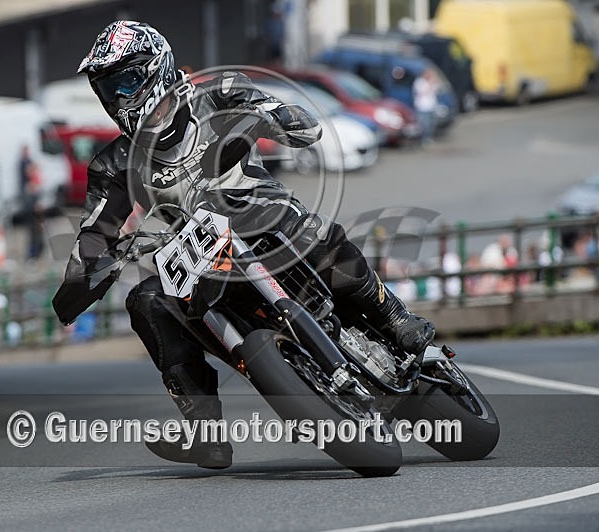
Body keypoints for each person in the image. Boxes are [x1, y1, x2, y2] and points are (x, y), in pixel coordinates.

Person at [52, 21, 436, 469]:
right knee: (145, 299)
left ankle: (395, 318)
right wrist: (88, 270)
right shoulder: (113, 162)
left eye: (126, 80)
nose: (118, 96)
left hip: (260, 213)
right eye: (108, 86)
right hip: (195, 254)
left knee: (309, 227)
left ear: (156, 68)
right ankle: (203, 428)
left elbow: (281, 113)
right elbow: (96, 230)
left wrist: (279, 118)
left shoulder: (218, 91)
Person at [412, 68, 439, 145]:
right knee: (424, 124)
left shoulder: (432, 82)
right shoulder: (419, 82)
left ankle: (428, 138)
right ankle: (422, 139)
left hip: (431, 106)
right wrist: (430, 84)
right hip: (422, 107)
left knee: (431, 124)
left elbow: (437, 90)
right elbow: (423, 92)